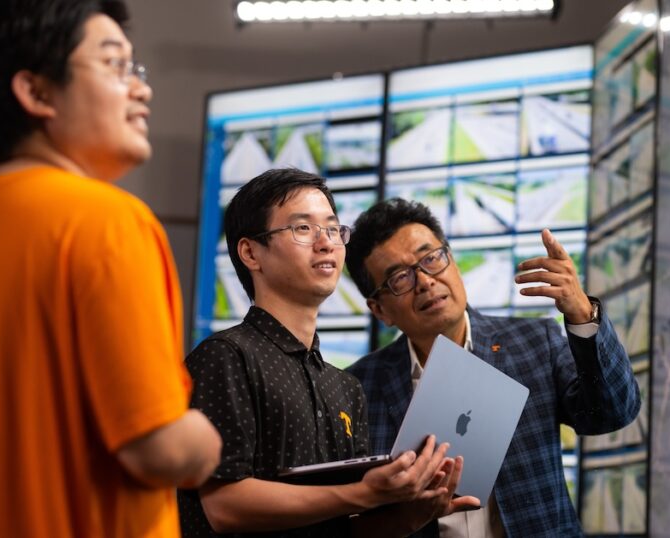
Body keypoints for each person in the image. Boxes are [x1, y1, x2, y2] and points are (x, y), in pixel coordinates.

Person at [0, 1, 223, 537]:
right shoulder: (107, 221)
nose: (143, 89)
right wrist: (206, 439)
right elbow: (156, 448)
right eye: (116, 66)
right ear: (37, 92)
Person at [179, 169, 479, 538]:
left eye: (334, 229)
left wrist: (412, 514)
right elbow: (224, 506)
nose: (326, 243)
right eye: (303, 229)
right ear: (250, 252)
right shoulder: (226, 358)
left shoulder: (345, 387)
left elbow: (348, 530)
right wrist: (362, 493)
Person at [345, 198, 642, 537]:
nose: (425, 281)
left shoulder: (533, 342)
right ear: (379, 310)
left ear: (452, 261)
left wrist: (581, 313)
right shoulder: (358, 387)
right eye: (400, 277)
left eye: (431, 259)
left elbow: (613, 412)